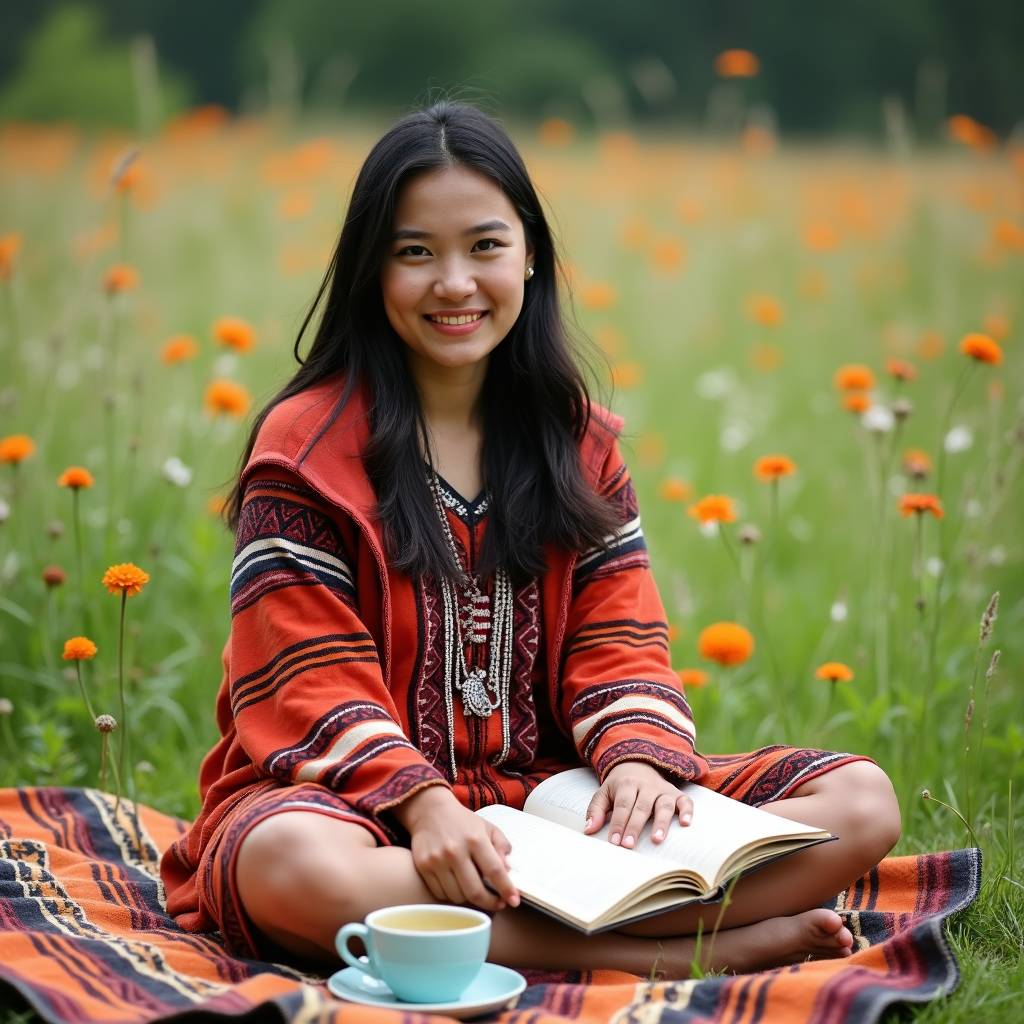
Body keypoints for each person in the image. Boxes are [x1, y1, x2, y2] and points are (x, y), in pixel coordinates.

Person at [160, 101, 901, 979]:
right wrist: (425, 805)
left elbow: (619, 633)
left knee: (860, 802)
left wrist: (637, 764)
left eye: (484, 246)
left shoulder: (577, 442)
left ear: (531, 255)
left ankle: (584, 931)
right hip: (355, 808)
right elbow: (304, 672)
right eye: (414, 253)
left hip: (556, 795)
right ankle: (669, 955)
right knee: (292, 870)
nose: (455, 284)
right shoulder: (305, 451)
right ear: (370, 270)